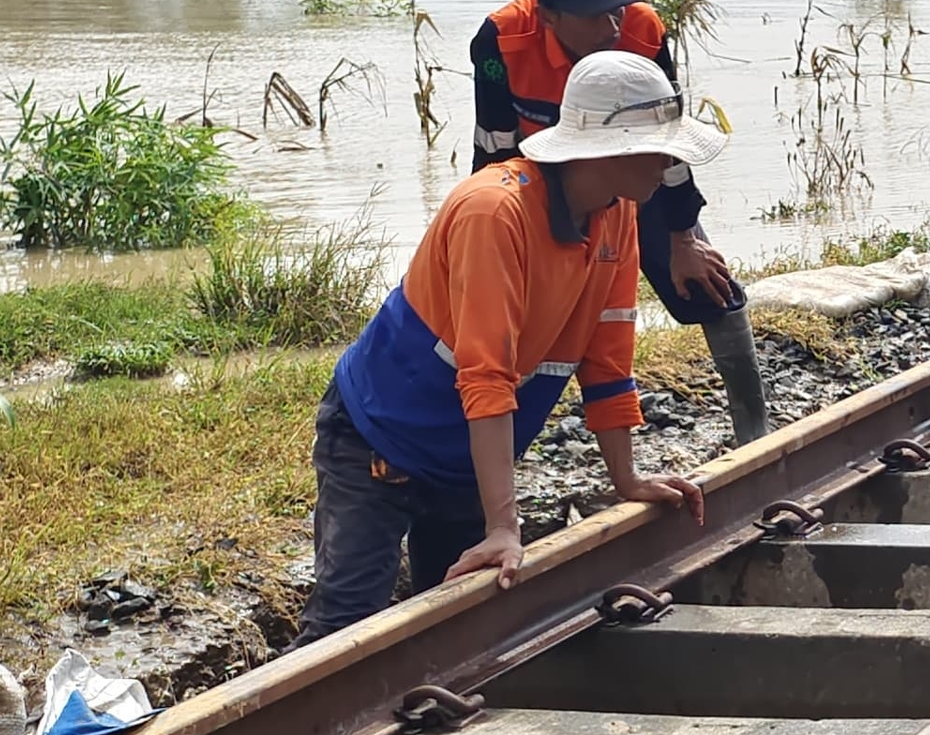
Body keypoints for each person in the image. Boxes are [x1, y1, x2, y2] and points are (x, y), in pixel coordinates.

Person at [302, 49, 718, 632]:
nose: (671, 163)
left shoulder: (615, 213)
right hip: (381, 438)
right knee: (346, 624)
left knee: (462, 618)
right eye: (661, 148)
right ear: (612, 149)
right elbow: (486, 372)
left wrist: (625, 479)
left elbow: (606, 358)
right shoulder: (494, 212)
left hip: (467, 454)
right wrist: (505, 523)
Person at [473, 0, 769, 443]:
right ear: (546, 16)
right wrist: (505, 239)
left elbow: (666, 138)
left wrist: (683, 238)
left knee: (709, 284)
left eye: (616, 6)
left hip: (632, 168)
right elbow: (495, 149)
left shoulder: (642, 29)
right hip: (546, 178)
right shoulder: (499, 42)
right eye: (593, 14)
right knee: (509, 318)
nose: (612, 25)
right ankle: (494, 445)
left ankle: (756, 433)